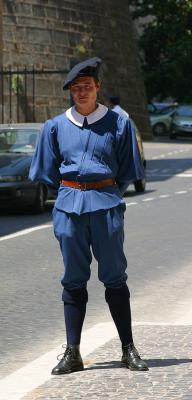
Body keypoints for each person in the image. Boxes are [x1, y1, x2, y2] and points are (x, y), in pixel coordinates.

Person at [29, 57, 148, 375]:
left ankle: (128, 348)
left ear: (98, 87)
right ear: (70, 92)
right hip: (68, 209)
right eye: (75, 88)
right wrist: (71, 191)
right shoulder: (54, 126)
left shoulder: (118, 123)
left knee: (114, 276)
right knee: (73, 279)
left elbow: (126, 171)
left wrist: (103, 191)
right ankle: (73, 353)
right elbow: (47, 172)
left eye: (87, 86)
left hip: (106, 205)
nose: (81, 92)